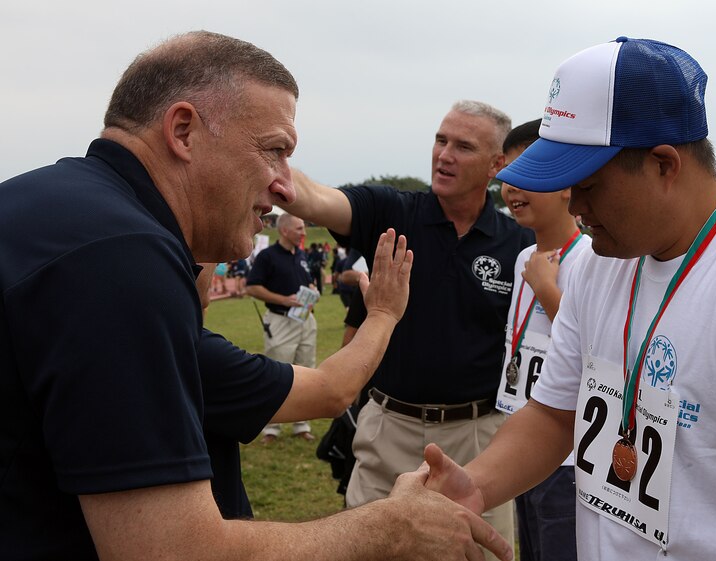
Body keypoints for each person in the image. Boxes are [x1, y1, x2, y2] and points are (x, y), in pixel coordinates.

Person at [0, 31, 511, 561]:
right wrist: (390, 529)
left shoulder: (52, 206)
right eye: (275, 151)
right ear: (183, 131)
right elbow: (171, 551)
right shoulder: (124, 257)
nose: (283, 184)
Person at [422, 37, 716, 561]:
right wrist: (475, 486)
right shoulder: (594, 262)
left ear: (663, 164)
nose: (575, 206)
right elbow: (553, 414)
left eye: (587, 185)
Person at [284, 99, 535, 558]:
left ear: (497, 164)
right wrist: (273, 163)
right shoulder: (392, 212)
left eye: (463, 146)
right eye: (441, 140)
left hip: (476, 437)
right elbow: (319, 199)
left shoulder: (518, 244)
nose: (444, 155)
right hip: (389, 429)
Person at [197, 229, 412, 519]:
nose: (217, 260)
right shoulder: (196, 352)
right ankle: (272, 428)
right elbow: (331, 391)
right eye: (203, 252)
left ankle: (299, 426)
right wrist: (383, 313)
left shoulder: (171, 340)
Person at [496, 119, 590, 561]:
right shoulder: (521, 259)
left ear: (567, 185)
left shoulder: (593, 260)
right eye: (508, 175)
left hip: (569, 455)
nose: (512, 188)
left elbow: (593, 354)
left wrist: (548, 290)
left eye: (527, 174)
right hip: (524, 435)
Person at [246, 213, 318, 442]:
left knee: (306, 371)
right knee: (278, 373)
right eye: (299, 228)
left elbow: (308, 282)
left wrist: (312, 290)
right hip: (280, 320)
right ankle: (271, 428)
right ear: (284, 230)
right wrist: (283, 299)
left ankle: (301, 425)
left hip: (305, 320)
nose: (304, 232)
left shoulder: (302, 255)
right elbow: (253, 288)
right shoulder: (267, 256)